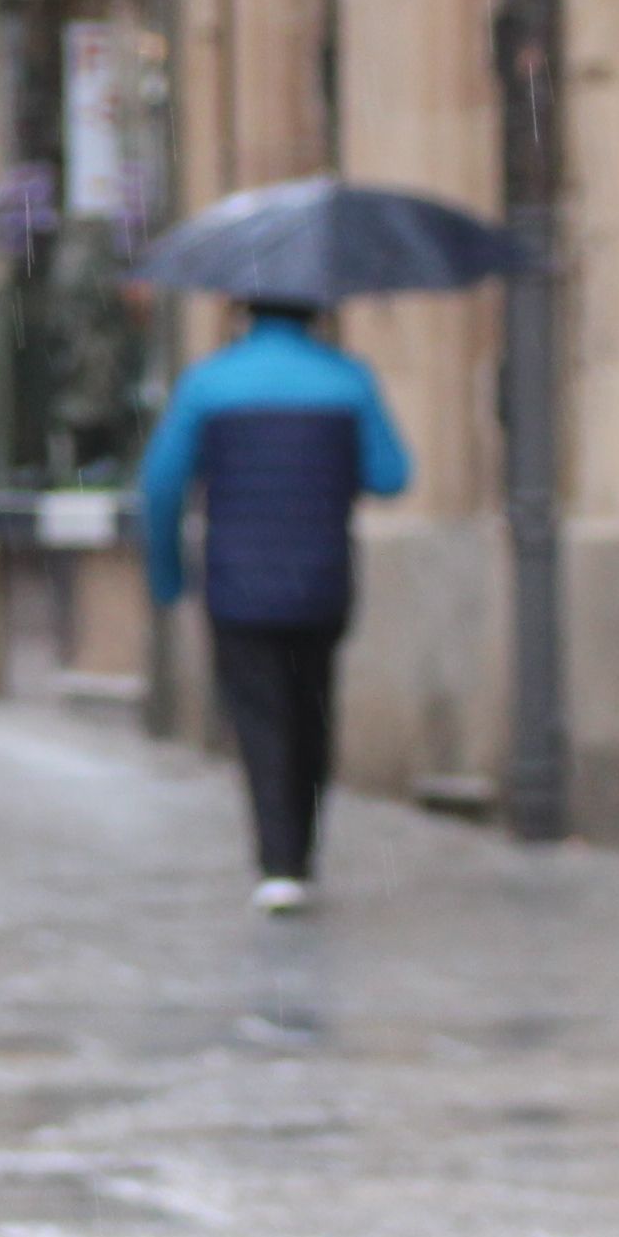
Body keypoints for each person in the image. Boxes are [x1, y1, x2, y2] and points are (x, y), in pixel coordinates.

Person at [136, 299, 408, 912]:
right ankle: (303, 855)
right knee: (312, 709)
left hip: (238, 585)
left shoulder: (208, 383)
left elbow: (159, 487)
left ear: (243, 313)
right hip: (322, 579)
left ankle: (276, 860)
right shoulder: (349, 379)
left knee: (259, 718)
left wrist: (167, 577)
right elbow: (391, 475)